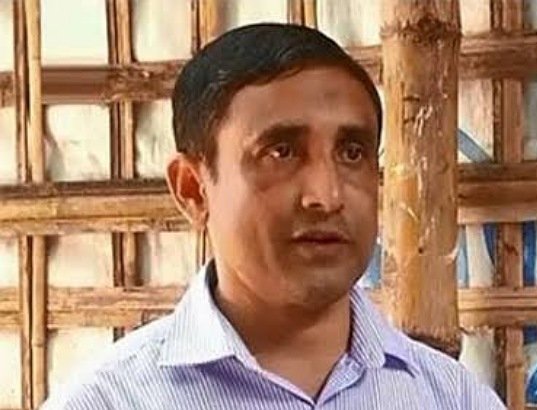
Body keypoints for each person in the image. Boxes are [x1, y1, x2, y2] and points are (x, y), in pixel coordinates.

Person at [42, 23, 505, 409]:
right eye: (281, 152)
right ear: (193, 190)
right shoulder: (110, 401)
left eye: (352, 152)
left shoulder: (452, 398)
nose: (326, 196)